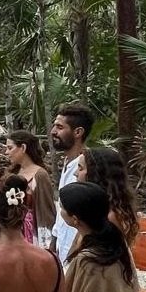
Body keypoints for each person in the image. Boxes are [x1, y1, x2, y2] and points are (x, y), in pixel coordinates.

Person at [50, 102, 94, 264]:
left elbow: (86, 217)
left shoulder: (86, 169)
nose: (53, 131)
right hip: (62, 249)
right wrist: (54, 242)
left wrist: (74, 252)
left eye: (60, 127)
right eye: (55, 126)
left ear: (78, 132)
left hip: (76, 255)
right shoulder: (69, 162)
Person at [76, 147, 140, 246]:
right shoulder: (94, 207)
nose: (75, 173)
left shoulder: (111, 216)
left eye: (81, 168)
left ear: (96, 173)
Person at [5, 130, 55, 247]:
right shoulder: (12, 173)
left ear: (23, 147)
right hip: (12, 231)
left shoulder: (40, 175)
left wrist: (46, 244)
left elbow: (46, 211)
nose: (6, 152)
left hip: (32, 234)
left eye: (10, 148)